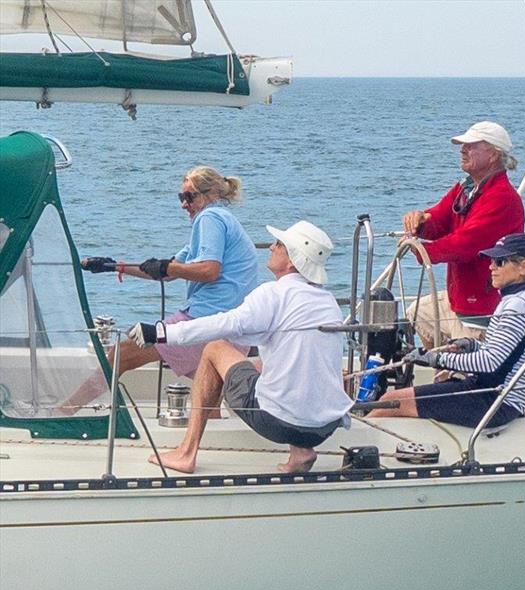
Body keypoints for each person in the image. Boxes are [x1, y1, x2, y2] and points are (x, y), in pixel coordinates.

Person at [129, 221, 353, 474]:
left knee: (215, 348)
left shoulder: (274, 294)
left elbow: (228, 323)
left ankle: (186, 452)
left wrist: (161, 333)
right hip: (324, 426)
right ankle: (301, 452)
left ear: (292, 261)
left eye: (279, 245)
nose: (271, 247)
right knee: (281, 361)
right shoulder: (327, 301)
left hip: (278, 422)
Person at [62, 165, 258, 413]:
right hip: (229, 324)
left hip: (205, 318)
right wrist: (114, 266)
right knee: (209, 385)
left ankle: (64, 410)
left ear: (210, 195)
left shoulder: (209, 218)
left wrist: (168, 268)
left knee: (120, 354)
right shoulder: (220, 221)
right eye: (181, 197)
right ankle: (209, 436)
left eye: (189, 197)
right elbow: (166, 272)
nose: (183, 204)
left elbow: (209, 270)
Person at [369, 234, 525, 429]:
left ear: (524, 267)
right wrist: (472, 345)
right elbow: (504, 352)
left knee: (389, 402)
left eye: (500, 261)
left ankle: (357, 447)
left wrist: (436, 359)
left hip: (495, 401)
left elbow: (490, 362)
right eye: (491, 261)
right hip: (495, 394)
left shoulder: (517, 305)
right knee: (393, 400)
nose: (491, 267)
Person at [402, 121, 525, 349]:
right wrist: (419, 221)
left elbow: (466, 245)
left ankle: (451, 375)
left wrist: (422, 251)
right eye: (463, 146)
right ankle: (442, 370)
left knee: (465, 369)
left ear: (493, 155)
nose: (463, 150)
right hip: (461, 299)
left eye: (471, 146)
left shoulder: (502, 198)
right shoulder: (466, 188)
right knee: (419, 311)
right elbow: (438, 219)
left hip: (482, 306)